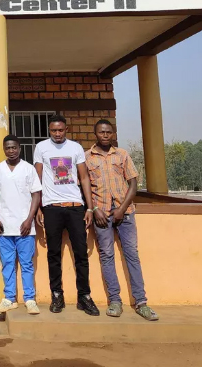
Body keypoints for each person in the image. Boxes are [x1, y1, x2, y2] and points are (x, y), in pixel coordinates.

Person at [86, 119, 158, 321]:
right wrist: (95, 209)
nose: (105, 135)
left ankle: (141, 302)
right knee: (106, 256)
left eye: (109, 132)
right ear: (96, 134)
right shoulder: (87, 158)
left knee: (132, 255)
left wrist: (122, 209)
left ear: (113, 133)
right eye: (101, 132)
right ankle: (115, 301)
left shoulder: (123, 155)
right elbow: (85, 188)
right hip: (101, 216)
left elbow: (133, 184)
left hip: (125, 214)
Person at [34, 114, 99, 316]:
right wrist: (36, 208)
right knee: (54, 254)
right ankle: (57, 295)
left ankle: (84, 297)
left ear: (66, 130)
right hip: (51, 207)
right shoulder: (41, 148)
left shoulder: (75, 148)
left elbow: (84, 177)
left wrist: (89, 207)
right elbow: (36, 179)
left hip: (75, 207)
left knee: (81, 254)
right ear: (49, 131)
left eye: (61, 130)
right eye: (54, 130)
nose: (58, 134)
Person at [0, 135, 42, 315]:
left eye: (14, 147)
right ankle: (9, 298)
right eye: (8, 148)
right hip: (4, 227)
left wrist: (29, 219)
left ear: (19, 148)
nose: (11, 151)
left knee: (26, 264)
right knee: (8, 263)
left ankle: (30, 299)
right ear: (4, 149)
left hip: (25, 227)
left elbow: (36, 195)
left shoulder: (28, 169)